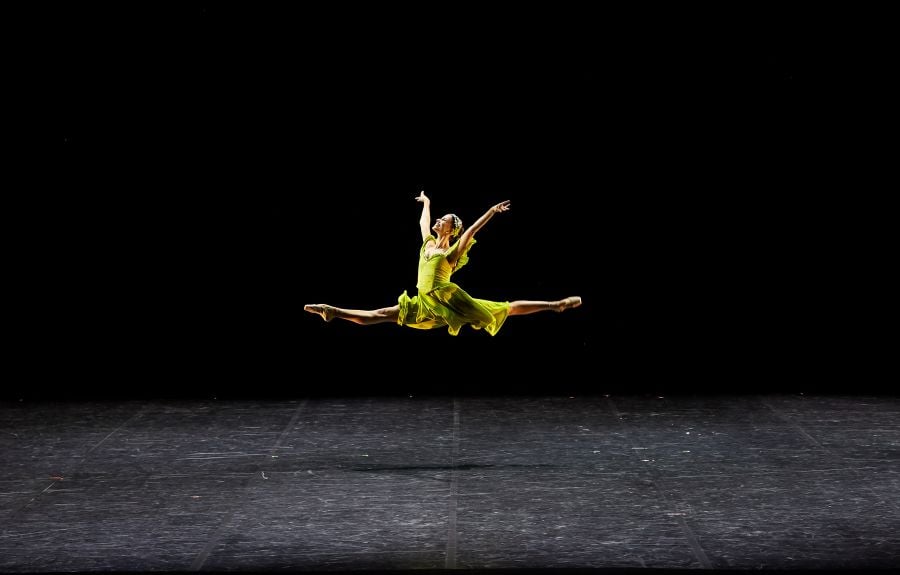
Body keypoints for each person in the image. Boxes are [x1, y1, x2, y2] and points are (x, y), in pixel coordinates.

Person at [304, 191, 582, 336]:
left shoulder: (451, 253)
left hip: (448, 301)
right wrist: (426, 202)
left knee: (503, 309)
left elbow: (471, 230)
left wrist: (491, 212)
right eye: (438, 218)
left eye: (443, 220)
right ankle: (333, 311)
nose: (437, 220)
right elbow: (423, 222)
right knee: (381, 314)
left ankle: (555, 305)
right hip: (424, 301)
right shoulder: (427, 243)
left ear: (450, 229)